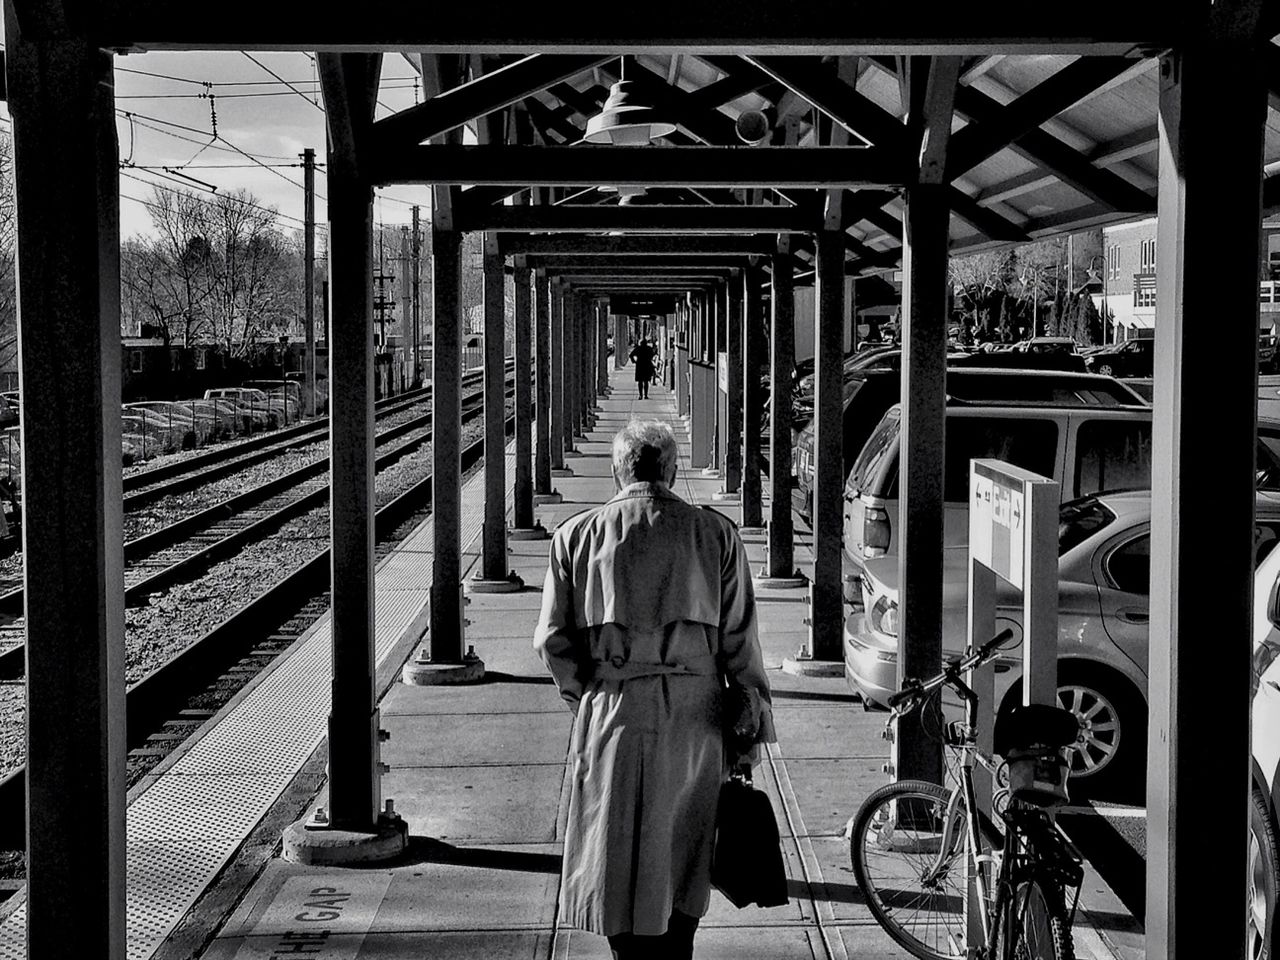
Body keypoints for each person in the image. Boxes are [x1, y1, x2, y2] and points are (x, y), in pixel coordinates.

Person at [533, 420, 775, 960]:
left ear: (617, 472)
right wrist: (750, 731)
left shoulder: (576, 536)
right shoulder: (715, 535)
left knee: (614, 851)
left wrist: (587, 695)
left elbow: (551, 641)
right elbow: (741, 644)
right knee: (686, 857)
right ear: (670, 469)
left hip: (612, 709)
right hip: (697, 718)